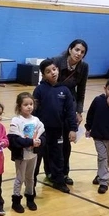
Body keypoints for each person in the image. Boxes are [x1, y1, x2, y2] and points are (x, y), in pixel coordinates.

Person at [33, 58, 77, 194]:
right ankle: (31, 185)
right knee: (37, 157)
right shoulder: (39, 90)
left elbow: (70, 111)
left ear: (58, 69)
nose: (52, 73)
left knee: (58, 155)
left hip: (58, 130)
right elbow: (33, 111)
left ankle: (59, 181)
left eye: (54, 69)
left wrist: (73, 129)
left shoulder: (64, 90)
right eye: (48, 71)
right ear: (43, 75)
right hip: (42, 132)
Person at [53, 39, 89, 185]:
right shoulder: (56, 61)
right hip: (53, 104)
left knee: (67, 143)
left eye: (82, 52)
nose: (79, 54)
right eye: (76, 50)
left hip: (70, 106)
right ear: (70, 49)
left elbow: (81, 91)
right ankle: (51, 172)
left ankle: (64, 173)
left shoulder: (84, 67)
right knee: (52, 142)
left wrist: (79, 111)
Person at [8, 92, 45, 213]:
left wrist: (40, 141)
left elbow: (43, 133)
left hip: (33, 155)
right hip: (21, 156)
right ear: (19, 106)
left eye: (31, 104)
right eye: (25, 104)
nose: (29, 107)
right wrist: (30, 142)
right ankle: (16, 201)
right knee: (20, 178)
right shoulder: (16, 120)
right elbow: (14, 140)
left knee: (31, 178)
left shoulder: (36, 120)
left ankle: (30, 198)